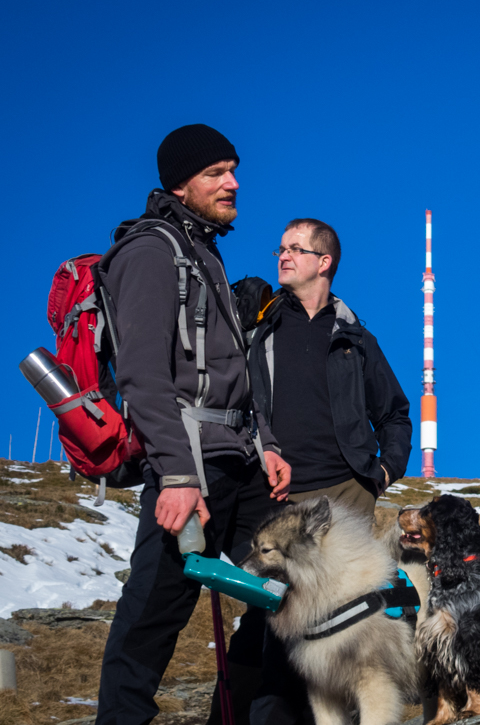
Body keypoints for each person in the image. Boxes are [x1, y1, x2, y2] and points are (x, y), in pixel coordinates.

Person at [97, 124, 292, 725]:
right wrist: (178, 475)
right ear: (179, 184)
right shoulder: (151, 253)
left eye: (233, 169)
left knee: (287, 593)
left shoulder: (203, 250)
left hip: (238, 459)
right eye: (216, 173)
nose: (233, 183)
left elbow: (230, 375)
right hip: (188, 466)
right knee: (155, 614)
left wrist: (267, 445)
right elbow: (143, 376)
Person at [243, 218, 413, 725]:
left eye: (296, 249)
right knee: (271, 622)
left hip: (346, 494)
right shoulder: (262, 324)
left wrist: (382, 472)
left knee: (350, 632)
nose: (282, 256)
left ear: (325, 262)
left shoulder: (355, 337)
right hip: (277, 493)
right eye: (280, 248)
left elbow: (396, 413)